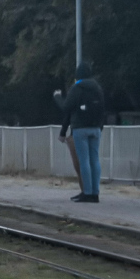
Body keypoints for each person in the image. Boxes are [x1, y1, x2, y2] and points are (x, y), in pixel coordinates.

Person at [54, 62, 105, 203]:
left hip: (80, 128)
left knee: (84, 161)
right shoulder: (98, 88)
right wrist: (100, 126)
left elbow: (66, 107)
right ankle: (95, 193)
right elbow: (102, 108)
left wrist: (57, 97)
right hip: (95, 128)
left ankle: (87, 192)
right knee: (95, 160)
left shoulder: (77, 88)